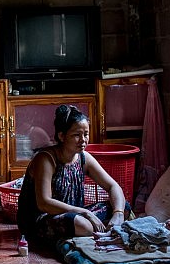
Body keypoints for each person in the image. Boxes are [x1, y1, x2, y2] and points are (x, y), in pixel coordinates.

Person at [17, 104, 133, 247]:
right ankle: (103, 231)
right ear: (61, 136)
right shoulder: (46, 159)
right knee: (82, 224)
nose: (83, 140)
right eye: (76, 135)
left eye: (86, 134)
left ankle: (103, 229)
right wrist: (86, 213)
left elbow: (113, 186)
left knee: (124, 206)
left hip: (76, 214)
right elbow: (44, 203)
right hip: (41, 221)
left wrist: (118, 214)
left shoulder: (84, 157)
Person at [93, 215, 170, 252]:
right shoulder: (161, 224)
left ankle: (108, 242)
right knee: (151, 218)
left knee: (127, 236)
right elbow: (147, 224)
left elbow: (160, 238)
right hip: (138, 229)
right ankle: (106, 235)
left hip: (142, 235)